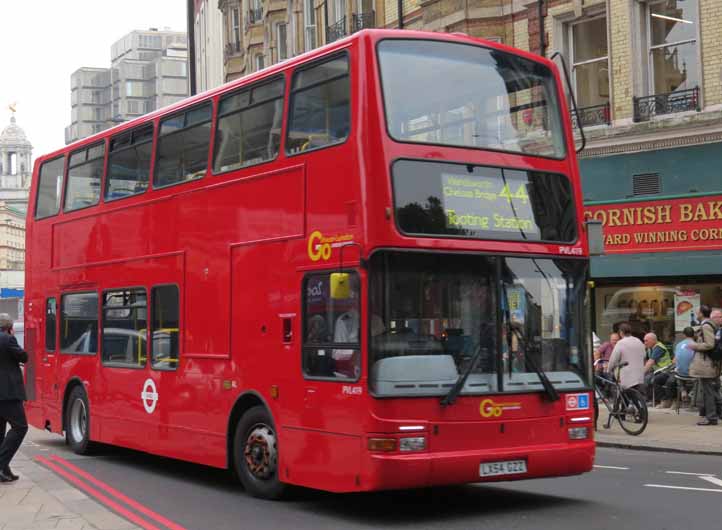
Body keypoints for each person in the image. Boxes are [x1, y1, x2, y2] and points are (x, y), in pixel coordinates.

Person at [0, 313, 28, 482]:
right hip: (8, 393)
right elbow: (24, 357)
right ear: (10, 327)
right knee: (20, 427)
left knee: (0, 433)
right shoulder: (8, 339)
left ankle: (4, 470)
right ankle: (1, 464)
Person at [688, 305, 722, 426]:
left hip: (706, 364)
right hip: (711, 363)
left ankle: (711, 417)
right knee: (713, 390)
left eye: (697, 312)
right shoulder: (711, 324)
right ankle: (715, 414)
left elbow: (709, 344)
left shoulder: (706, 325)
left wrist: (694, 346)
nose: (696, 314)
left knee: (708, 392)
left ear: (701, 313)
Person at [607, 322, 646, 394]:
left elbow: (613, 360)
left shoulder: (620, 343)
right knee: (635, 396)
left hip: (626, 377)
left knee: (624, 396)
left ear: (621, 332)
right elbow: (644, 356)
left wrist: (608, 370)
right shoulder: (639, 341)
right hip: (639, 375)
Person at [642, 332, 673, 407]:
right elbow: (644, 360)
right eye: (644, 341)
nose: (645, 343)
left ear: (653, 340)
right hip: (657, 371)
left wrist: (641, 373)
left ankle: (664, 400)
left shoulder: (659, 348)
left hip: (666, 371)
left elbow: (650, 362)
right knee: (646, 379)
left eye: (646, 341)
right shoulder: (650, 348)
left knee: (655, 380)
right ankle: (651, 400)